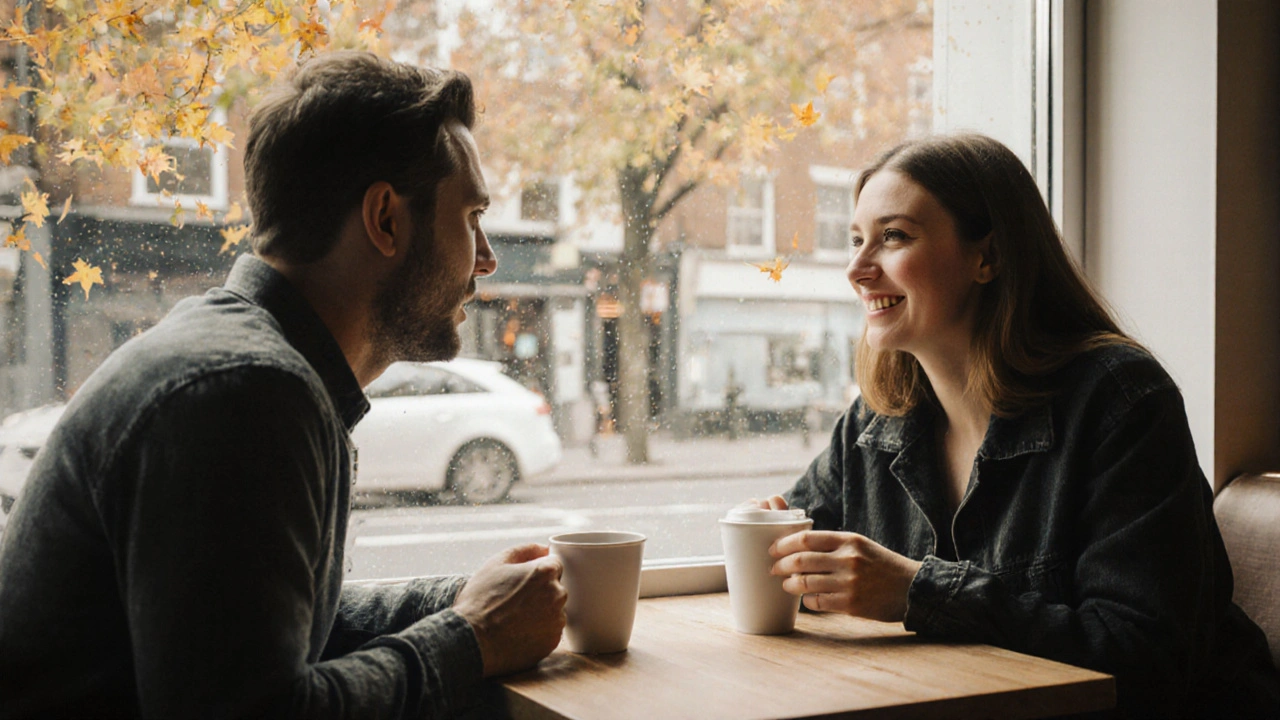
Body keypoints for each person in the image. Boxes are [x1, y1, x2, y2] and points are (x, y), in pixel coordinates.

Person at [0, 52, 567, 718]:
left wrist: (460, 603)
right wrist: (472, 638)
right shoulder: (244, 394)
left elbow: (263, 631)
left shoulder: (244, 364)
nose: (488, 258)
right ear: (385, 219)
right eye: (471, 218)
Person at [751, 133, 1280, 718]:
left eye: (893, 236)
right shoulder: (876, 419)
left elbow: (1146, 660)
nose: (856, 268)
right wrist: (769, 541)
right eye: (856, 240)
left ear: (989, 256)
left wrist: (915, 592)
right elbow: (797, 558)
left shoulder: (1121, 400)